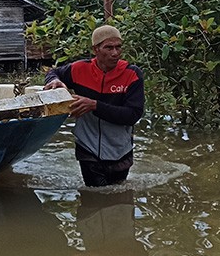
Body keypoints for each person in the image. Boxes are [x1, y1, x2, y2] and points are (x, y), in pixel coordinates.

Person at [43, 25, 145, 187]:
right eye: (109, 47)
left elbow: (133, 115)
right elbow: (52, 73)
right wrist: (54, 81)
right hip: (87, 148)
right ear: (95, 49)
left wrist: (94, 106)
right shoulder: (79, 69)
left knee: (119, 199)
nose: (115, 53)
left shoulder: (132, 74)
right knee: (95, 196)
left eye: (118, 47)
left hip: (120, 149)